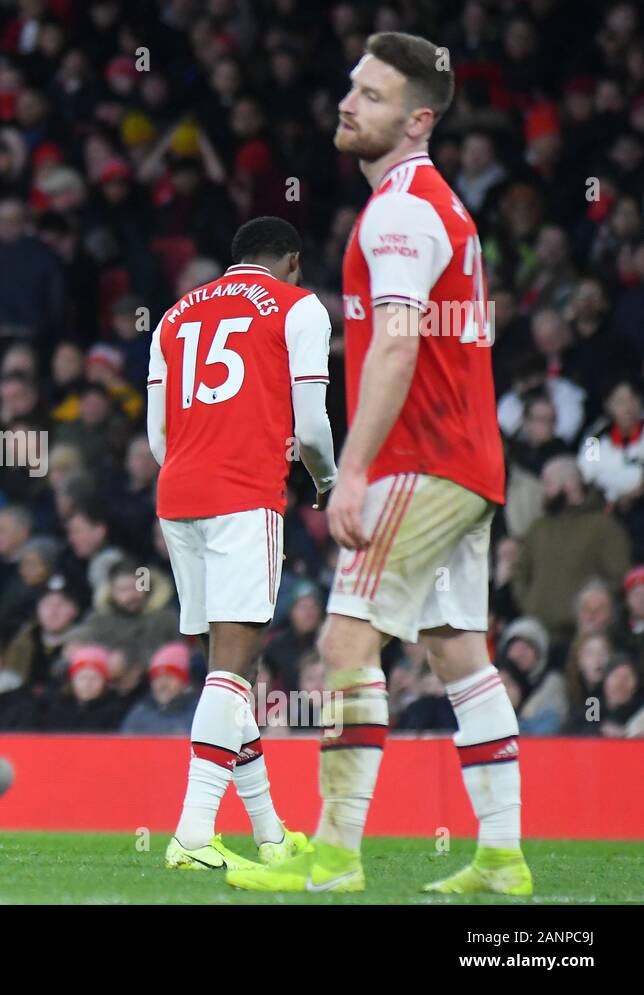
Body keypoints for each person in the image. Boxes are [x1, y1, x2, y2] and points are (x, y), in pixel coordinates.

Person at [229, 33, 529, 896]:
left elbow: (397, 345)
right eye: (351, 87)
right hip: (468, 463)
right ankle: (502, 861)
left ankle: (332, 858)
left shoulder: (399, 209)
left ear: (418, 118)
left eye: (372, 94)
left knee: (345, 640)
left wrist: (352, 470)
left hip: (421, 460)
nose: (348, 103)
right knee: (459, 654)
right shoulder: (443, 206)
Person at [147, 215, 335, 871]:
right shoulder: (299, 306)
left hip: (179, 496)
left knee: (225, 668)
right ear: (290, 260)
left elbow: (156, 433)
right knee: (233, 667)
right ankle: (193, 833)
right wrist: (328, 479)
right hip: (243, 496)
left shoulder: (172, 317)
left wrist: (187, 470)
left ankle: (269, 833)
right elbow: (310, 422)